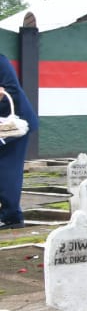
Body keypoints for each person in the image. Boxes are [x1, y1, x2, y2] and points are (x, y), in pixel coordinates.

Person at [0, 53, 37, 230]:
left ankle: (11, 217)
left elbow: (11, 90)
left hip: (12, 126)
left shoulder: (0, 61)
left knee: (7, 170)